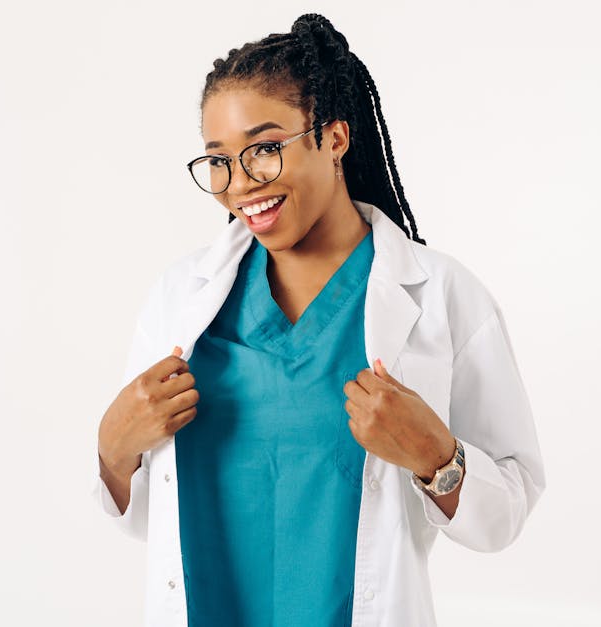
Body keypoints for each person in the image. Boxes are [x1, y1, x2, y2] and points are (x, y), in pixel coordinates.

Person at [91, 13, 545, 627]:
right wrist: (113, 453)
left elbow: (506, 516)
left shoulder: (442, 295)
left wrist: (439, 457)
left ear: (333, 138)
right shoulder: (179, 300)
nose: (240, 184)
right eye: (218, 160)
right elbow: (152, 516)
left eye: (266, 149)